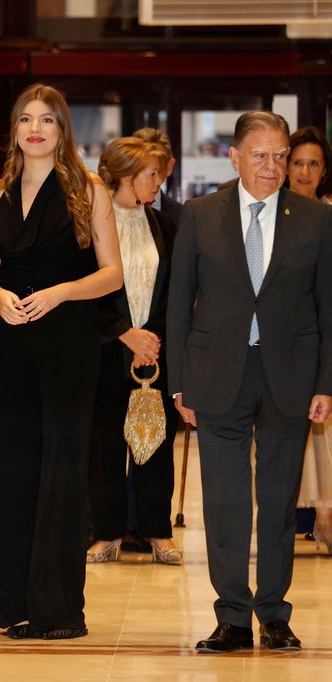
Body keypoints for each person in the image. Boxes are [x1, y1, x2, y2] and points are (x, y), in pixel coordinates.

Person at [168, 111, 332, 653]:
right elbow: (178, 304)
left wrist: (326, 382)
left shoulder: (315, 219)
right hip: (217, 376)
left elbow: (329, 307)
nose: (273, 165)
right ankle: (232, 616)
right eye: (260, 155)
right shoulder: (199, 214)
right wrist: (178, 383)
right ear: (234, 158)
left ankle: (275, 614)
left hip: (290, 375)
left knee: (280, 502)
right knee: (226, 502)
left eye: (281, 155)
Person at [0, 83, 122, 640]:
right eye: (25, 119)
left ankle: (59, 609)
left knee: (62, 472)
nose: (35, 129)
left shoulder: (91, 190)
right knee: (13, 471)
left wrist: (60, 292)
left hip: (68, 341)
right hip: (14, 342)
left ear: (63, 130)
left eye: (47, 120)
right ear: (14, 129)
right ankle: (16, 604)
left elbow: (111, 274)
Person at [87, 137, 182, 565]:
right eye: (151, 174)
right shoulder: (90, 226)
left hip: (154, 354)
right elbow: (86, 295)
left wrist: (152, 340)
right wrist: (125, 334)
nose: (158, 182)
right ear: (127, 175)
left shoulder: (165, 225)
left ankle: (158, 532)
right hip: (106, 351)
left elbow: (174, 293)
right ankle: (106, 533)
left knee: (156, 445)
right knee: (105, 446)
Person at [286, 126, 332, 551]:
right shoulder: (270, 216)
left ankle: (325, 516)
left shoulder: (328, 216)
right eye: (297, 162)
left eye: (313, 163)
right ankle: (286, 519)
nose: (304, 171)